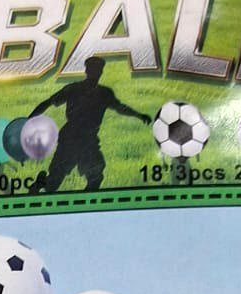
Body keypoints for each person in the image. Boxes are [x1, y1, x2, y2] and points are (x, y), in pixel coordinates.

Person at [28, 55, 152, 192]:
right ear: (87, 71)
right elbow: (49, 102)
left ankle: (84, 199)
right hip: (71, 138)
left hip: (89, 139)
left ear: (101, 71)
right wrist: (29, 119)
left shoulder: (105, 93)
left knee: (96, 175)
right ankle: (41, 184)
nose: (95, 72)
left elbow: (119, 107)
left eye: (98, 69)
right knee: (54, 182)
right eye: (93, 69)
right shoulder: (74, 89)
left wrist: (139, 115)